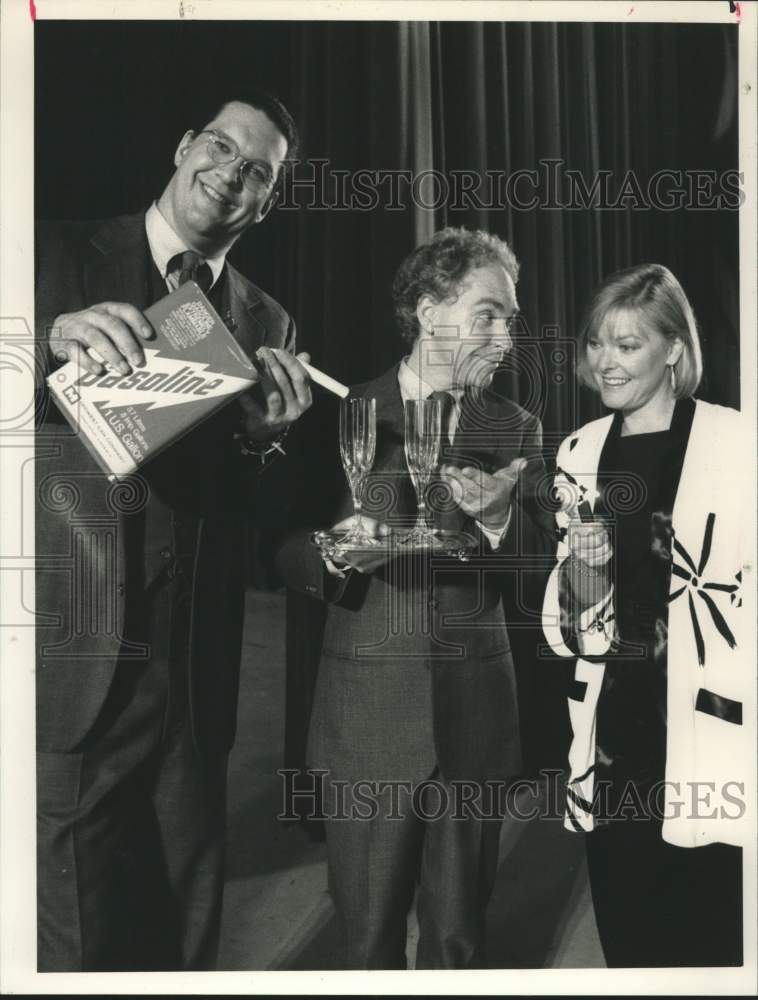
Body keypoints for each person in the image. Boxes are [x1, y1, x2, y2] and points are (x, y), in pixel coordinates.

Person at [34, 87, 313, 971]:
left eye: (256, 173)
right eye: (222, 148)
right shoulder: (51, 253)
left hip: (194, 674)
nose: (229, 175)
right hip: (71, 657)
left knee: (185, 933)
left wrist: (267, 445)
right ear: (184, 144)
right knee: (72, 929)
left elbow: (251, 510)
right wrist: (44, 337)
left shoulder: (266, 323)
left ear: (266, 203)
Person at [275, 227, 554, 969]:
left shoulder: (515, 427)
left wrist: (499, 516)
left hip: (477, 721)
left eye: (512, 318)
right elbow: (280, 542)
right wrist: (333, 549)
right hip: (365, 721)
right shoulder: (340, 410)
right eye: (490, 313)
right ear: (431, 312)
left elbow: (541, 570)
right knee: (365, 944)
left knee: (459, 944)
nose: (506, 334)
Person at [542, 263, 749, 967]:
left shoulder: (735, 444)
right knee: (629, 943)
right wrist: (584, 572)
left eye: (627, 344)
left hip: (711, 727)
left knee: (714, 941)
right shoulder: (578, 454)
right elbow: (574, 629)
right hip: (614, 734)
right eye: (598, 343)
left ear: (673, 351)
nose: (606, 360)